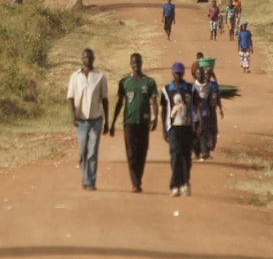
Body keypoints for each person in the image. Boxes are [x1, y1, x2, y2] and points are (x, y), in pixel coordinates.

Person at [108, 53, 160, 193]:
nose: (136, 65)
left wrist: (156, 118)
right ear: (130, 64)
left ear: (142, 63)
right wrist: (113, 123)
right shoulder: (125, 82)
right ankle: (135, 183)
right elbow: (120, 103)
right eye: (133, 62)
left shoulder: (149, 82)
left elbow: (154, 102)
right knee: (131, 152)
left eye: (138, 62)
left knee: (142, 152)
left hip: (144, 121)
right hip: (129, 122)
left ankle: (138, 179)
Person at [66, 49, 109, 191]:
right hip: (81, 120)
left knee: (93, 151)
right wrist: (73, 117)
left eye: (90, 57)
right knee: (82, 151)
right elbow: (70, 98)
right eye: (85, 57)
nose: (88, 60)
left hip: (96, 119)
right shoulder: (75, 77)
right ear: (82, 59)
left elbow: (105, 99)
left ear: (94, 59)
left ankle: (90, 181)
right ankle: (85, 176)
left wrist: (107, 121)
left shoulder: (100, 76)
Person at [162, 62, 197, 197]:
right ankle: (175, 184)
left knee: (186, 157)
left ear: (183, 73)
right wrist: (164, 129)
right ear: (172, 73)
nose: (178, 75)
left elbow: (196, 106)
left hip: (187, 127)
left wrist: (197, 124)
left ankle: (185, 182)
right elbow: (164, 109)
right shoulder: (167, 90)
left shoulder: (190, 88)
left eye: (180, 73)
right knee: (175, 155)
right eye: (176, 73)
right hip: (173, 128)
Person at [196, 59, 224, 160]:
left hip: (212, 111)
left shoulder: (213, 85)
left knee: (213, 130)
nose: (206, 76)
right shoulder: (201, 86)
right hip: (205, 112)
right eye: (205, 75)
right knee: (204, 131)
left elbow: (218, 98)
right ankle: (204, 150)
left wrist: (220, 108)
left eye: (208, 75)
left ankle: (209, 148)